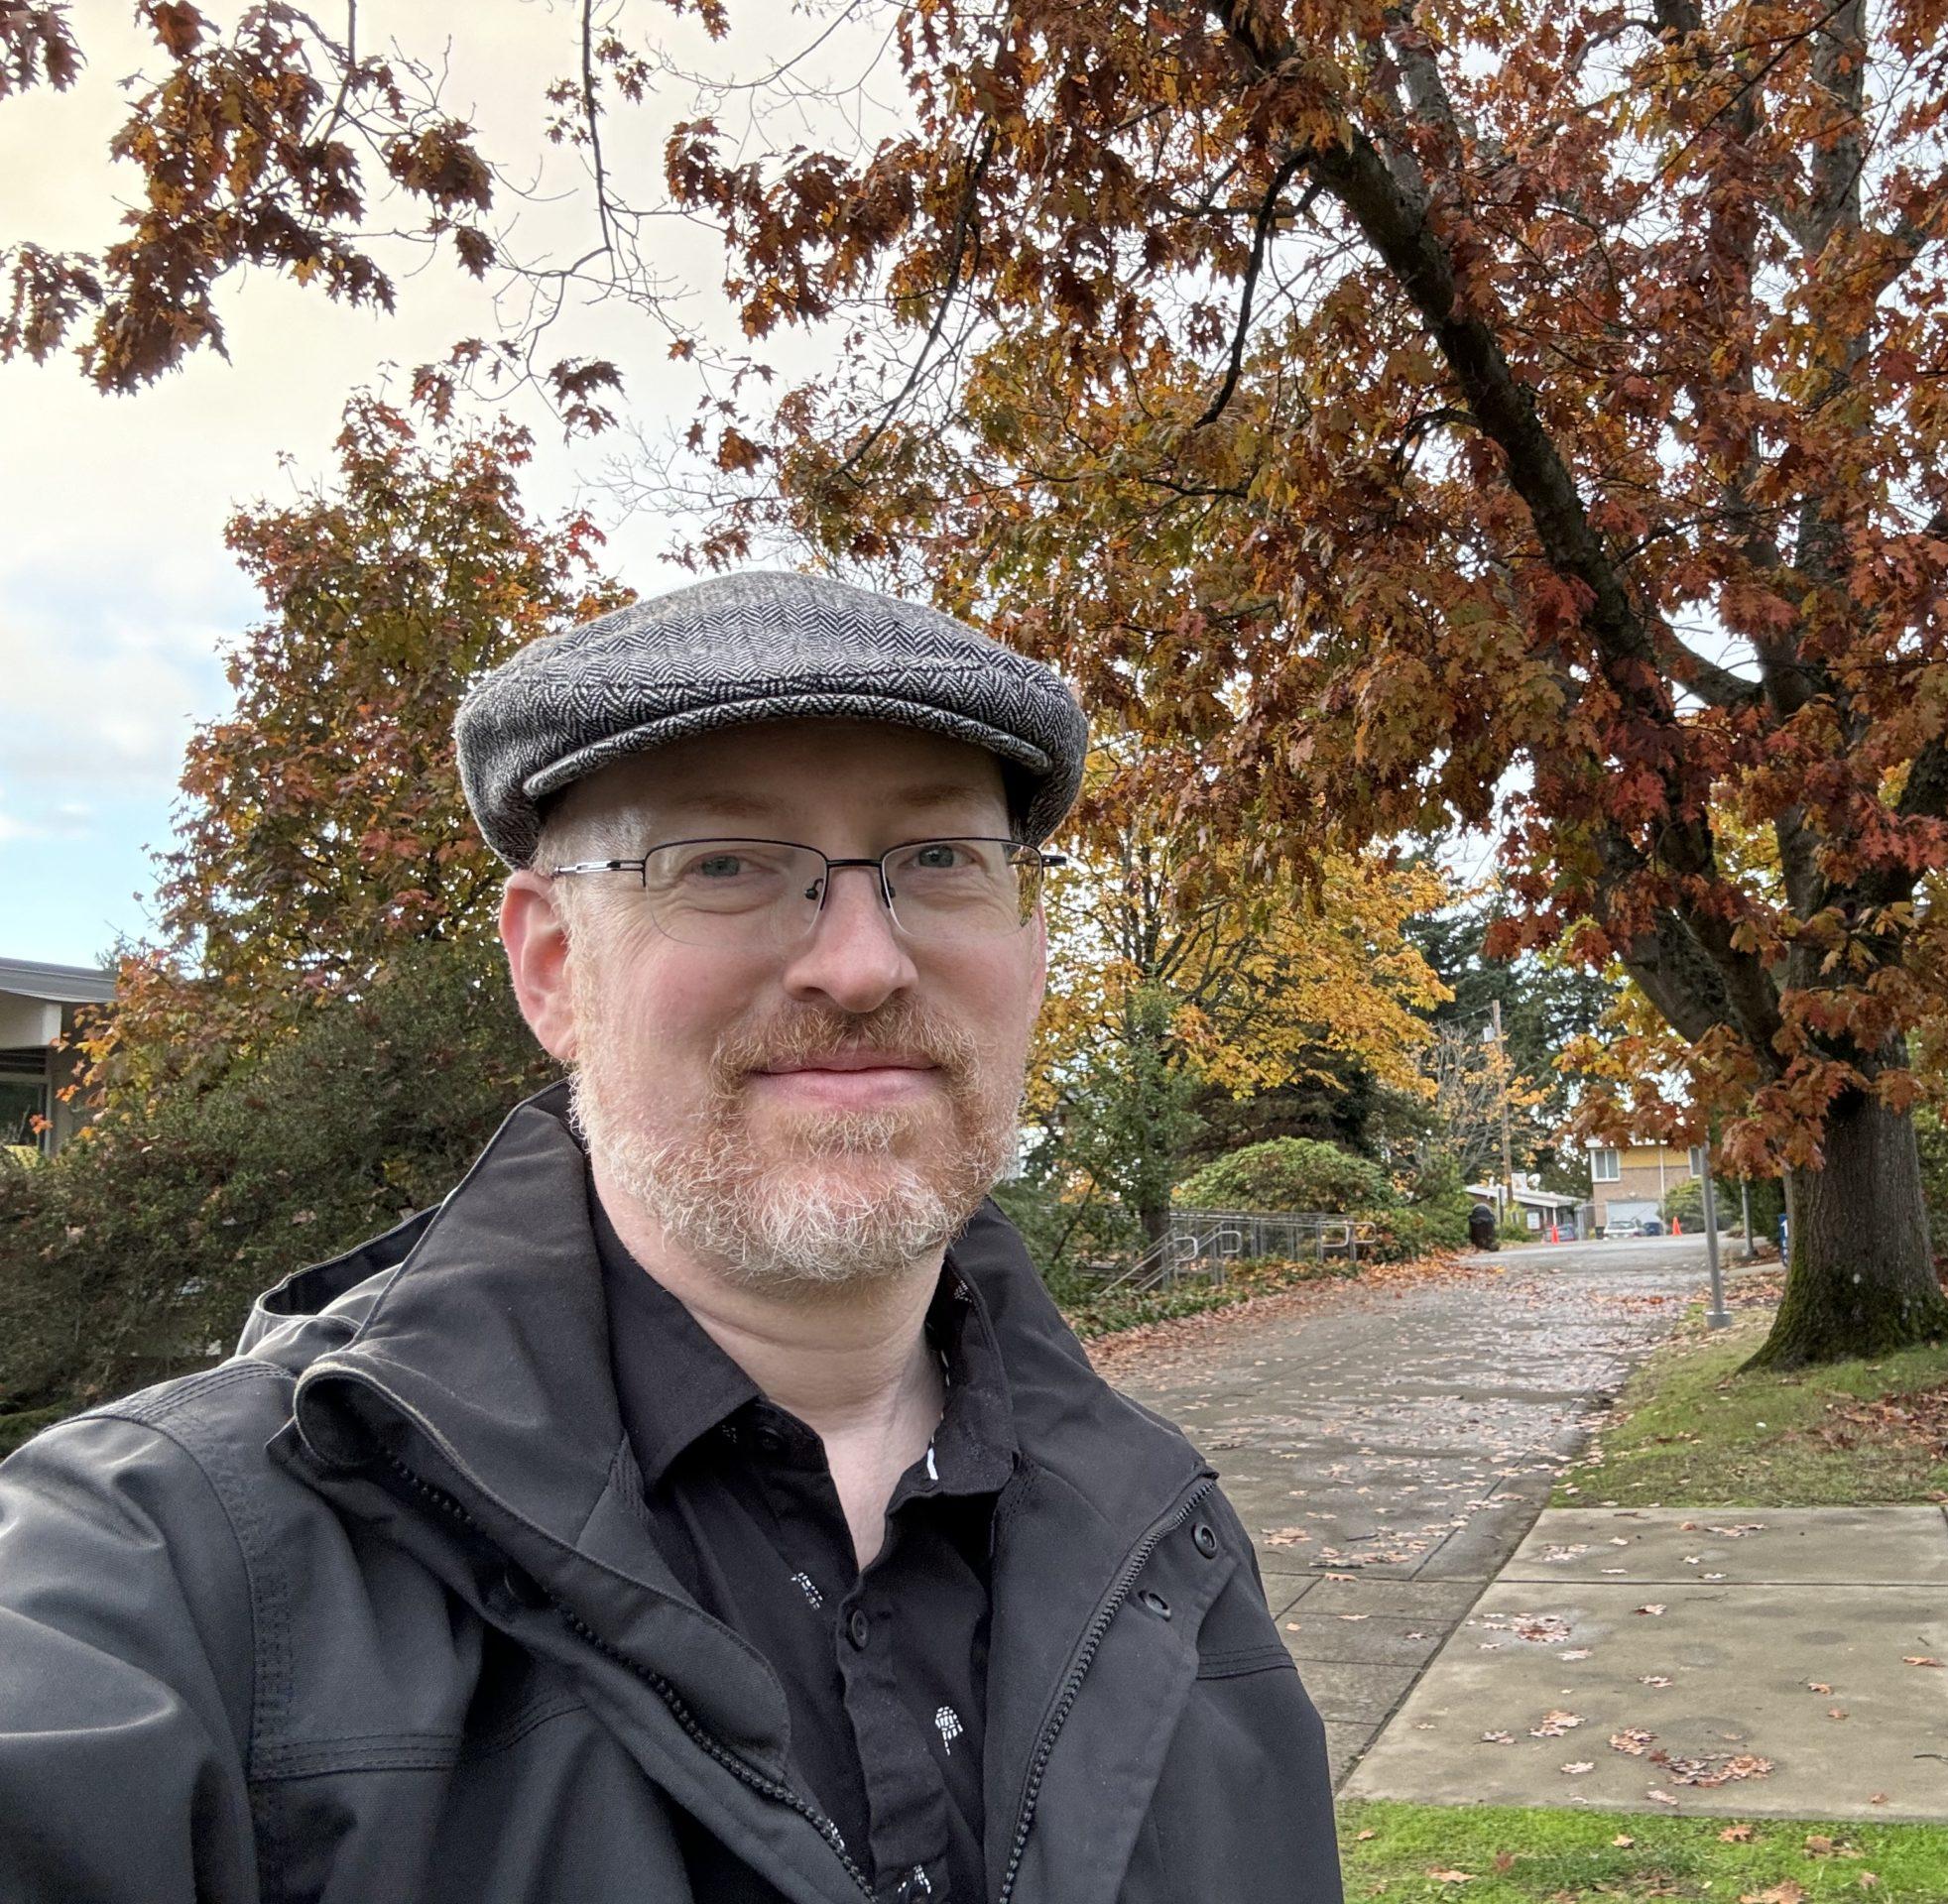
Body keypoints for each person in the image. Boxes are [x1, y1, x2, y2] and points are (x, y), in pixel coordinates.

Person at [0, 573, 1345, 1904]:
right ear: (549, 966)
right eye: (726, 866)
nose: (862, 963)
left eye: (939, 861)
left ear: (1033, 948)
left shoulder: (1170, 1547)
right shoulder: (166, 1579)